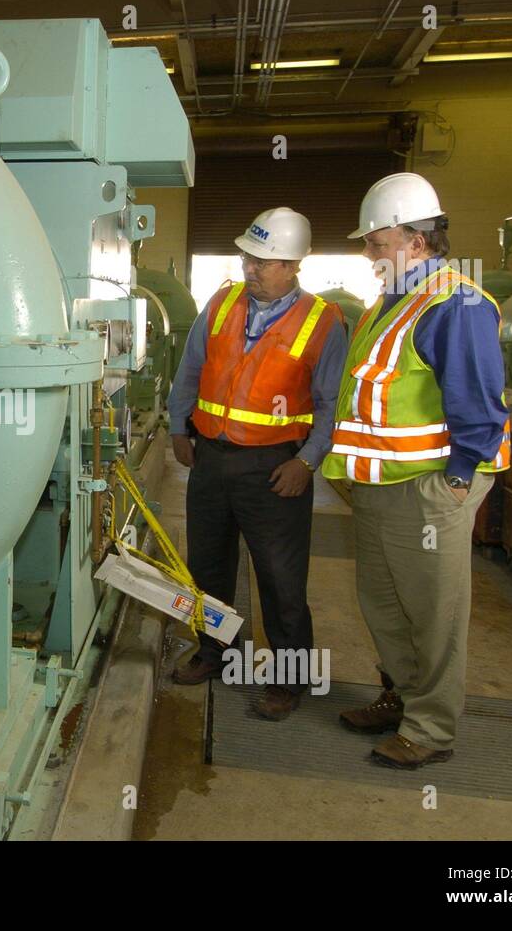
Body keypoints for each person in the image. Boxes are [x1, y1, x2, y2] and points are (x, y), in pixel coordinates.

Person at [321, 172, 510, 769]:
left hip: (431, 485)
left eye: (377, 241)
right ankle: (400, 697)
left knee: (434, 611)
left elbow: (479, 405)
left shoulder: (459, 302)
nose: (369, 253)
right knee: (381, 601)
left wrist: (456, 480)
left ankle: (430, 729)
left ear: (418, 240)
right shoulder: (391, 302)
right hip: (382, 485)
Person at [168, 208, 345, 720]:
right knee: (208, 567)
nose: (250, 267)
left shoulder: (323, 321)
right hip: (211, 459)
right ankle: (216, 652)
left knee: (280, 578)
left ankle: (288, 679)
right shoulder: (221, 303)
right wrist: (180, 426)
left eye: (264, 261)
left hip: (275, 468)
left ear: (292, 265)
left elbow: (332, 403)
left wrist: (308, 462)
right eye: (248, 256)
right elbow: (190, 366)